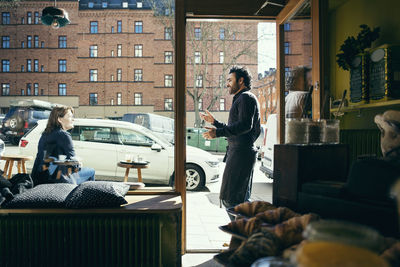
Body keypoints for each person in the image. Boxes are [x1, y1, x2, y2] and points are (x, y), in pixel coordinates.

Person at [200, 66, 261, 219]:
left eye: (229, 80)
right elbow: (237, 128)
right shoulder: (242, 98)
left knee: (232, 199)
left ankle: (244, 234)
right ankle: (242, 235)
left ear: (241, 81)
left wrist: (218, 133)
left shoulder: (246, 98)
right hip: (239, 153)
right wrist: (215, 123)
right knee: (237, 199)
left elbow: (245, 126)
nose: (227, 84)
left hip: (241, 155)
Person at [31, 106, 95, 185]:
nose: (73, 119)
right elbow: (74, 163)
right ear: (59, 119)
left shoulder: (45, 134)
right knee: (91, 171)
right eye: (70, 116)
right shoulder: (64, 135)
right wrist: (78, 163)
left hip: (39, 178)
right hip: (58, 180)